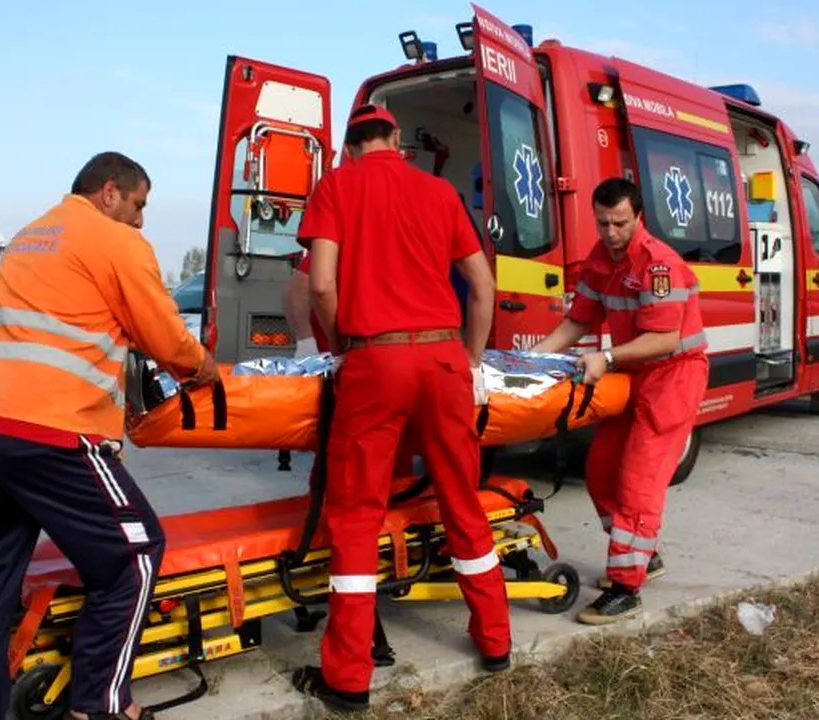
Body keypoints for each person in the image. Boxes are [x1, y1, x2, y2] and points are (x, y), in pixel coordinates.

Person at [0, 151, 219, 720]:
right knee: (133, 555)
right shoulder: (116, 241)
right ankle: (100, 706)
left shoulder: (32, 234)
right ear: (110, 192)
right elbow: (163, 333)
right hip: (43, 427)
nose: (141, 220)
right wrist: (201, 367)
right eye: (138, 205)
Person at [288, 104, 507, 714]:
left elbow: (321, 284)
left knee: (356, 514)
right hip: (442, 360)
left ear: (349, 146)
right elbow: (483, 286)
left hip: (374, 361)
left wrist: (339, 349)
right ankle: (495, 642)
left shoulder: (335, 185)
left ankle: (349, 678)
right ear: (396, 139)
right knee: (462, 497)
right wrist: (470, 357)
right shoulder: (437, 191)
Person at [531, 177, 707, 625]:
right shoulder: (599, 260)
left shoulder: (658, 265)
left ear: (638, 217)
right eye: (603, 223)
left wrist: (606, 357)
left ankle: (626, 589)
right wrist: (529, 361)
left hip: (672, 376)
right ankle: (643, 557)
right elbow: (577, 321)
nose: (610, 233)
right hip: (634, 374)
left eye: (620, 223)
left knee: (637, 481)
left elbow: (665, 339)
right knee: (601, 470)